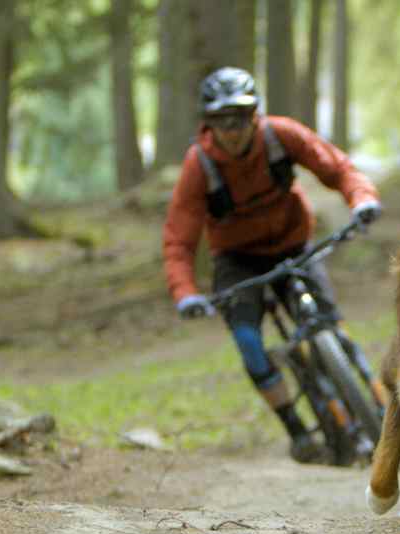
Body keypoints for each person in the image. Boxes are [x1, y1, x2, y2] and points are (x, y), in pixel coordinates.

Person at [162, 67, 382, 464]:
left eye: (241, 116)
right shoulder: (199, 166)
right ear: (208, 124)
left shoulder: (280, 135)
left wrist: (361, 198)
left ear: (255, 114)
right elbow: (179, 238)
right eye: (221, 120)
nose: (233, 129)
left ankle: (378, 405)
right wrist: (186, 293)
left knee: (328, 323)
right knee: (249, 343)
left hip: (293, 244)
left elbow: (336, 167)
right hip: (237, 260)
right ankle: (296, 430)